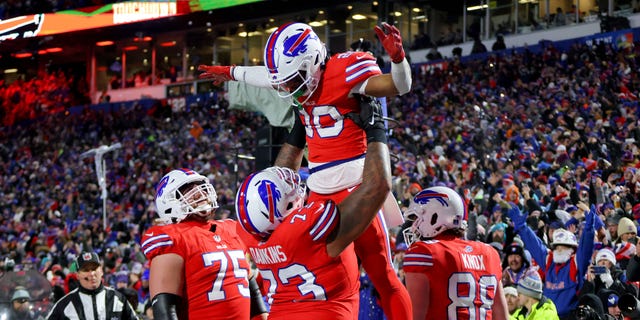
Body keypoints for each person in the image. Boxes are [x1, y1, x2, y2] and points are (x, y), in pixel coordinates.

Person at [199, 21, 413, 320]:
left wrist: (399, 59)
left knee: (383, 276)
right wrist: (230, 72)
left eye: (294, 78)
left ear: (313, 60)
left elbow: (398, 86)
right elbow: (264, 76)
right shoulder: (296, 77)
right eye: (285, 80)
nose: (289, 88)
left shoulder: (345, 69)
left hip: (356, 186)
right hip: (318, 192)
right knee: (332, 276)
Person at [234, 106, 392, 320]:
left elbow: (282, 178)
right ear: (286, 210)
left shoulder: (251, 231)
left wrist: (300, 126)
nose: (294, 184)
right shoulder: (306, 229)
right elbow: (377, 187)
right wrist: (376, 130)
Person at [140, 169, 267, 320]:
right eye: (188, 189)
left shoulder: (231, 228)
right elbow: (165, 308)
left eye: (199, 186)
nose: (199, 192)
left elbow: (251, 289)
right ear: (168, 202)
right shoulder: (173, 237)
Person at [401, 186, 509, 320]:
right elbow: (502, 316)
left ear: (434, 216)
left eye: (417, 218)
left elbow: (414, 316)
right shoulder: (489, 252)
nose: (414, 226)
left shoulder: (424, 252)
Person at [507, 203, 596, 319]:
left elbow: (586, 248)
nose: (559, 249)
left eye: (564, 246)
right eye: (557, 246)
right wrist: (522, 227)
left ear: (572, 249)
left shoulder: (576, 263)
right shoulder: (549, 260)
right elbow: (535, 245)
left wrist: (589, 228)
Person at [46, 251, 139, 320]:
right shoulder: (65, 304)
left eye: (94, 268)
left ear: (101, 271)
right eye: (86, 270)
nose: (91, 273)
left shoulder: (118, 299)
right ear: (77, 275)